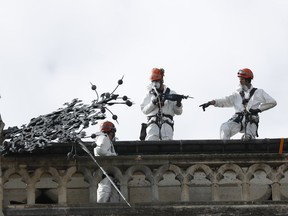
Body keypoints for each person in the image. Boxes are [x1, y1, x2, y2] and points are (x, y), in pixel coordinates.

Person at [199, 68, 277, 140]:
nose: (240, 81)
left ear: (248, 80)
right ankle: (224, 150)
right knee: (225, 128)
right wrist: (210, 103)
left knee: (248, 139)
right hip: (238, 119)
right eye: (240, 79)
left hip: (251, 119)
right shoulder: (237, 94)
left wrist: (258, 109)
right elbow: (225, 100)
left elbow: (272, 102)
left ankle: (249, 146)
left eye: (242, 79)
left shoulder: (258, 92)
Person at [140, 68, 183, 140]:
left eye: (157, 81)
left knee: (167, 141)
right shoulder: (149, 95)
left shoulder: (171, 93)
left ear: (162, 80)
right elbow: (144, 110)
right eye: (153, 81)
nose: (155, 83)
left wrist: (178, 103)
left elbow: (178, 112)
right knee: (151, 140)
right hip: (152, 121)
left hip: (167, 122)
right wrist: (153, 102)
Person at [93, 121, 120, 203]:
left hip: (109, 172)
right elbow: (99, 150)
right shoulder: (104, 138)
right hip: (105, 172)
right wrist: (112, 155)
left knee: (113, 194)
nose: (113, 136)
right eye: (112, 133)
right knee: (105, 190)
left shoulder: (105, 139)